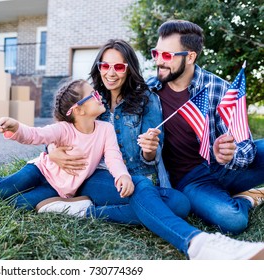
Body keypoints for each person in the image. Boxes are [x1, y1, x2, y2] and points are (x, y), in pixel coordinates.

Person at [31, 38, 264, 259]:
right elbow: (60, 125)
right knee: (138, 187)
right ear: (98, 67)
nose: (111, 73)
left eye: (119, 67)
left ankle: (85, 211)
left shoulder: (146, 99)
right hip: (96, 175)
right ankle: (199, 244)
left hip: (135, 175)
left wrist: (149, 150)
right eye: (105, 65)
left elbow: (152, 155)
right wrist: (51, 149)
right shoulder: (89, 97)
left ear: (129, 69)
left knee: (179, 204)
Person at [0, 79, 136, 216]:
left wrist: (122, 175)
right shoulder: (63, 129)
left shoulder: (106, 129)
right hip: (39, 170)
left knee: (18, 204)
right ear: (79, 109)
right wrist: (17, 127)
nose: (98, 95)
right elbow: (36, 135)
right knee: (0, 191)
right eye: (92, 94)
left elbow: (113, 158)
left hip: (60, 190)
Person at [145, 19, 264, 234]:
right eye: (157, 53)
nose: (159, 62)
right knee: (233, 219)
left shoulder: (218, 88)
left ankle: (229, 188)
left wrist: (230, 154)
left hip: (224, 168)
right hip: (191, 181)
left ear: (190, 57)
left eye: (167, 55)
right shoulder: (149, 91)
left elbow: (246, 144)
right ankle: (248, 197)